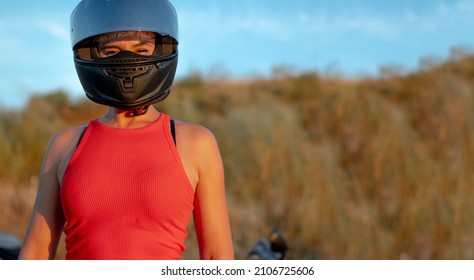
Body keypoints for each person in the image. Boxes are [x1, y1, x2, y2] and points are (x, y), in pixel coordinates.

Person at [19, 0, 234, 260]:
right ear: (93, 56)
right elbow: (34, 257)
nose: (127, 60)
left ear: (160, 50)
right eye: (111, 52)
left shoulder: (195, 143)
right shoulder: (65, 145)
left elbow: (218, 258)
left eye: (141, 50)